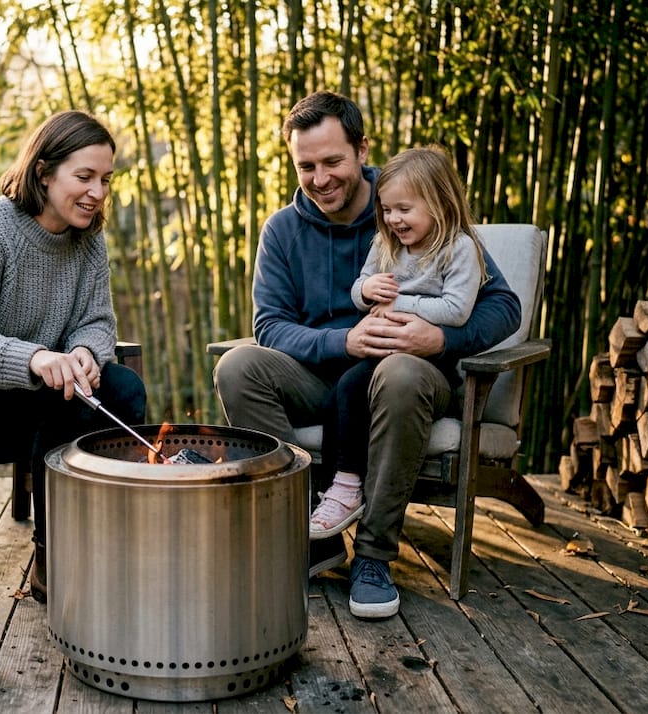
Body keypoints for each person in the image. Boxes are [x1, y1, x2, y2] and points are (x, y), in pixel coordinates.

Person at [213, 91, 520, 620]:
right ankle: (308, 535)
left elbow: (504, 306)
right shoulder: (282, 232)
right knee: (237, 366)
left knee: (398, 372)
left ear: (361, 150)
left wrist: (441, 340)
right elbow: (269, 327)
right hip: (319, 379)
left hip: (405, 379)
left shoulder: (414, 204)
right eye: (306, 166)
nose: (320, 178)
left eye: (333, 161)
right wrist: (343, 341)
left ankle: (374, 556)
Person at [0, 110, 147, 604]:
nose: (97, 192)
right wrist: (38, 359)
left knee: (125, 388)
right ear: (43, 171)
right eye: (84, 177)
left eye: (105, 179)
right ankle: (53, 559)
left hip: (35, 391)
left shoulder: (88, 242)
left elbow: (97, 322)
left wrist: (83, 353)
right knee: (57, 400)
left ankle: (108, 541)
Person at [310, 146, 488, 542]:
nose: (393, 220)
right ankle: (340, 487)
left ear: (439, 203)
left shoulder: (459, 249)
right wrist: (367, 289)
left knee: (360, 387)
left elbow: (458, 309)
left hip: (428, 369)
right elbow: (359, 289)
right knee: (343, 391)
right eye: (387, 210)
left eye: (404, 209)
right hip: (377, 356)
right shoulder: (385, 244)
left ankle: (353, 491)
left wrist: (397, 301)